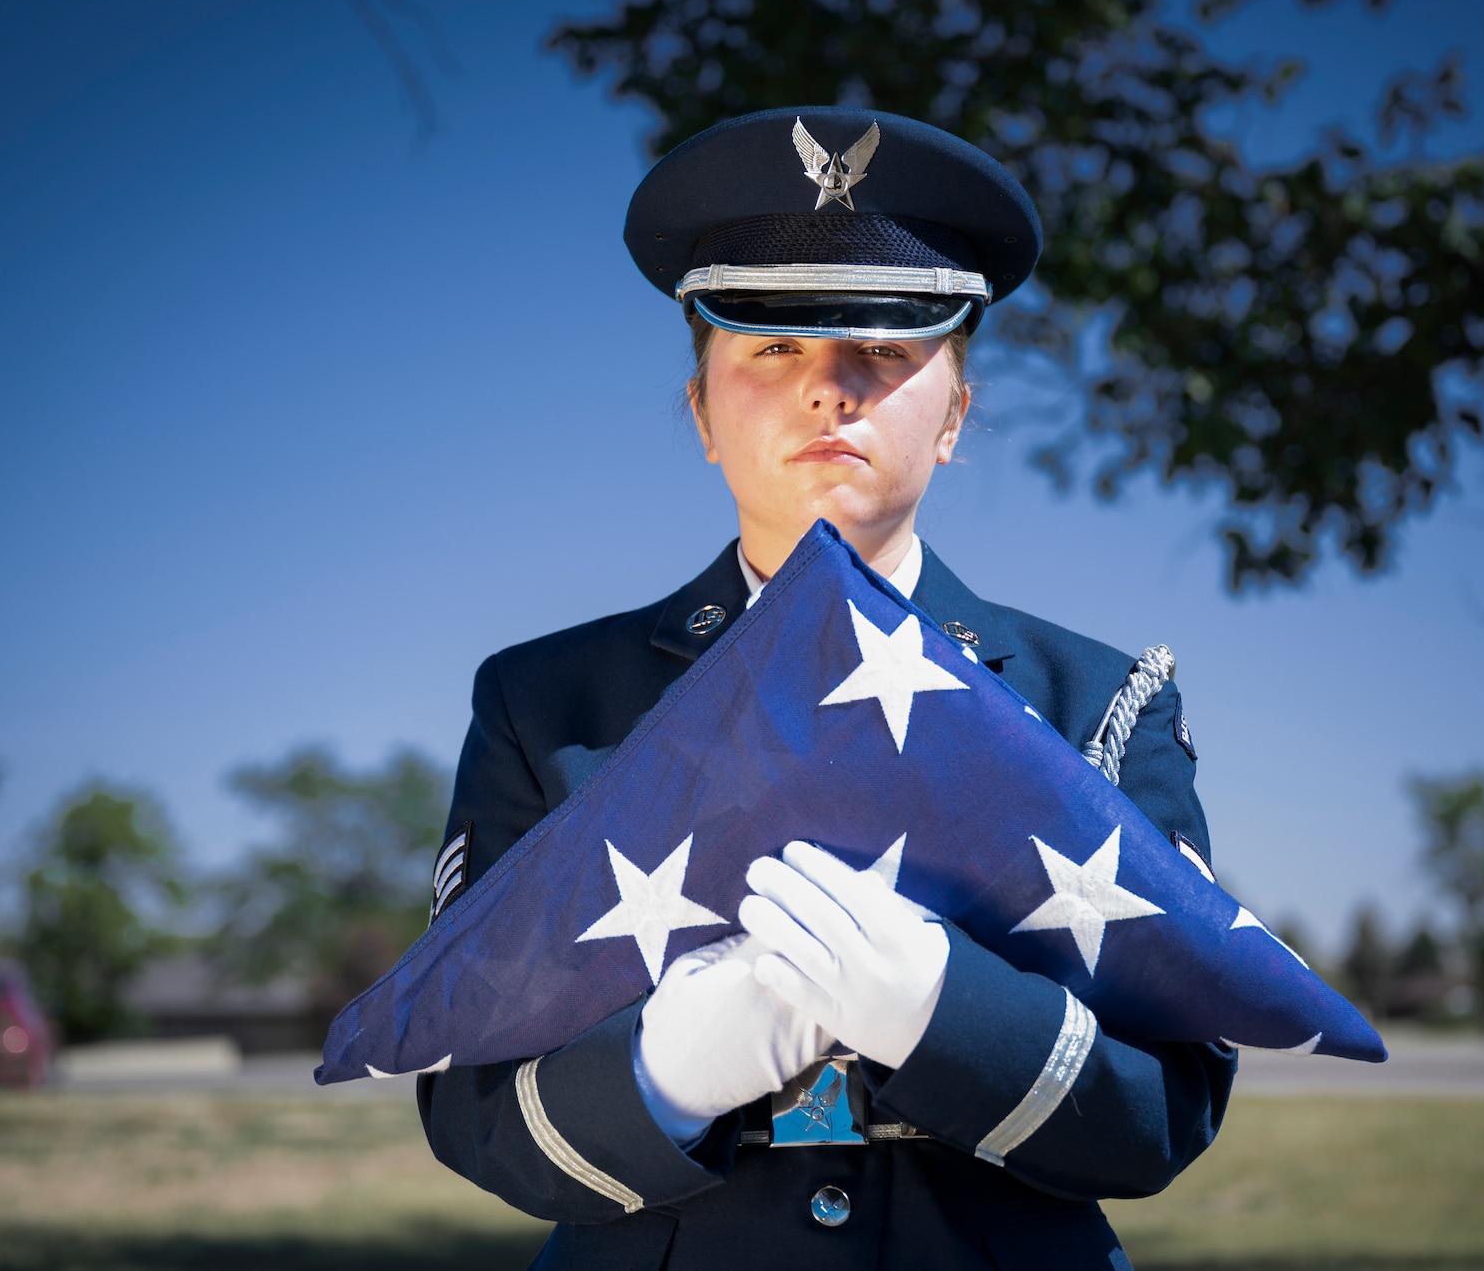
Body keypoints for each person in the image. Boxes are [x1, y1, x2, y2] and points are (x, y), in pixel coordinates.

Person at [418, 106, 1235, 1270]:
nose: (830, 388)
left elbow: (1170, 1101)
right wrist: (667, 1069)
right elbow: (468, 1098)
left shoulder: (1094, 704)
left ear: (953, 414)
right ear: (700, 411)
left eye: (889, 351)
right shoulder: (545, 704)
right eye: (769, 347)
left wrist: (936, 1008)